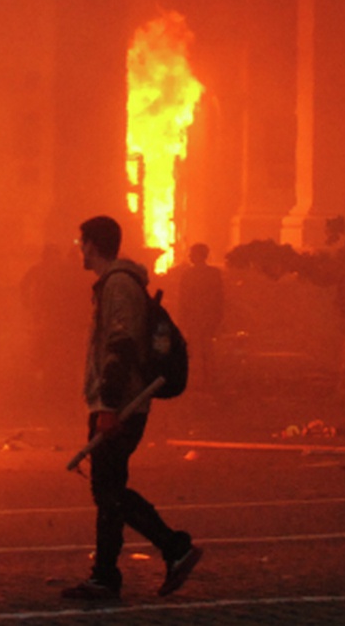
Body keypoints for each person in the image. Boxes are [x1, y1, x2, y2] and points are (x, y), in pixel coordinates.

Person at [62, 215, 202, 601]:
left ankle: (175, 546)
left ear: (93, 244)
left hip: (122, 404)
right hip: (118, 402)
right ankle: (105, 576)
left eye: (81, 243)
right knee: (107, 489)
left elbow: (121, 346)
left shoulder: (120, 285)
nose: (80, 251)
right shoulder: (115, 284)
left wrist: (107, 405)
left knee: (108, 490)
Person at [177, 243, 224, 390]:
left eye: (193, 253)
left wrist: (183, 318)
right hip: (205, 318)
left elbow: (183, 299)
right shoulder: (213, 274)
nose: (190, 256)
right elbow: (219, 299)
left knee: (199, 349)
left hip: (197, 318)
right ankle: (207, 379)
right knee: (205, 349)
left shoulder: (188, 275)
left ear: (199, 255)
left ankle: (203, 380)